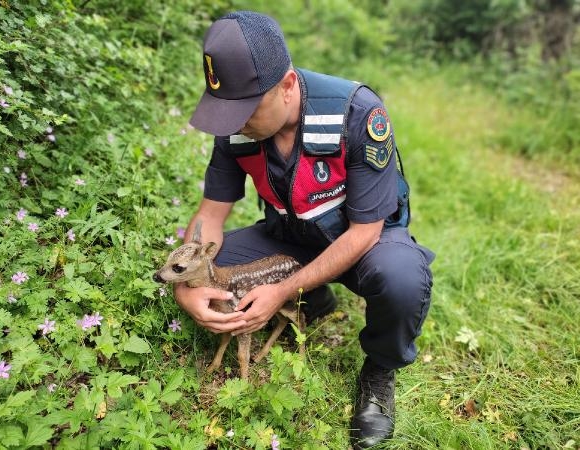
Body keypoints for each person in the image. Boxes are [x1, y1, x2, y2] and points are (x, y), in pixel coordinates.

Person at [173, 10, 435, 448]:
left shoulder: (358, 113)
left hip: (361, 240)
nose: (236, 123)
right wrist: (189, 284)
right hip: (290, 237)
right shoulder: (236, 127)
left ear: (288, 85)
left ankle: (380, 370)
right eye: (228, 110)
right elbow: (210, 216)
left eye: (245, 110)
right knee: (214, 264)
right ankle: (314, 296)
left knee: (401, 279)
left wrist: (278, 290)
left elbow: (365, 232)